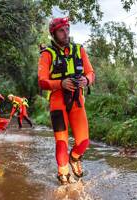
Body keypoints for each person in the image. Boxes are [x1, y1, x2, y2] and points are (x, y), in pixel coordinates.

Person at [37, 17, 95, 185]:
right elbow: (42, 81)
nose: (66, 33)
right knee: (61, 142)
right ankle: (63, 174)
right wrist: (60, 83)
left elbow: (91, 72)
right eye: (61, 30)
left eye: (67, 29)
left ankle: (74, 158)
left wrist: (87, 80)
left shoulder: (79, 50)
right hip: (57, 102)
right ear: (53, 33)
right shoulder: (47, 54)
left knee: (83, 142)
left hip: (77, 101)